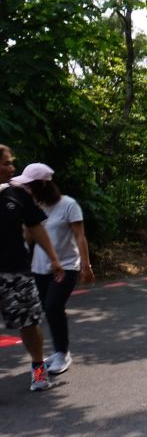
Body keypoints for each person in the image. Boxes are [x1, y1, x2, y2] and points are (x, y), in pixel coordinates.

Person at [20, 163, 94, 376]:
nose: (27, 189)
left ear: (42, 183)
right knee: (49, 309)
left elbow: (80, 236)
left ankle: (62, 353)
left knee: (53, 307)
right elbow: (29, 237)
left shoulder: (69, 204)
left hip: (67, 266)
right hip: (39, 267)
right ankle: (57, 351)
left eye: (29, 185)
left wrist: (86, 266)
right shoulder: (34, 207)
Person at [0, 146, 64, 392]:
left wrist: (54, 259)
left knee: (29, 322)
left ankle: (38, 370)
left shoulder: (17, 195)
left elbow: (36, 228)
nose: (12, 168)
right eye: (7, 163)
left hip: (15, 271)